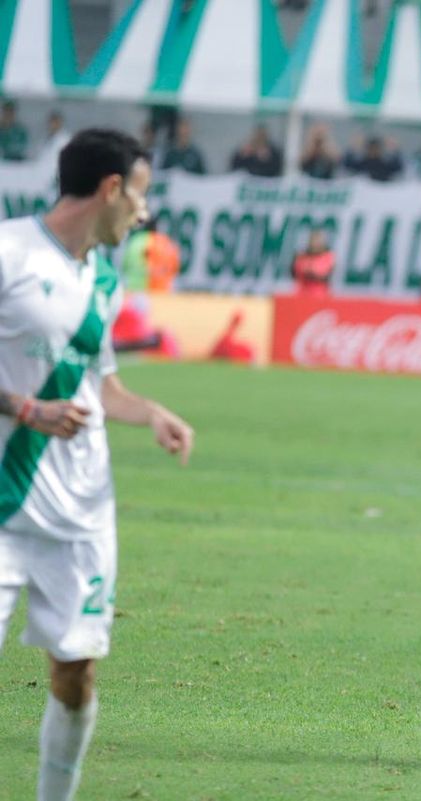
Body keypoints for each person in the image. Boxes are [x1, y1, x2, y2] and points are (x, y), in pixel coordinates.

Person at [0, 128, 194, 801]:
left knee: (76, 675)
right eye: (139, 196)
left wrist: (153, 413)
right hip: (5, 501)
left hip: (81, 512)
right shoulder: (9, 251)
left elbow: (99, 385)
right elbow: (43, 399)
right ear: (112, 189)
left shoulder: (104, 280)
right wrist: (25, 408)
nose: (142, 214)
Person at [291, 228, 335, 296]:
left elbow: (325, 276)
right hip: (301, 294)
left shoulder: (327, 256)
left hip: (320, 296)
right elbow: (294, 273)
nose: (315, 243)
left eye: (318, 240)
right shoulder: (301, 256)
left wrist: (311, 271)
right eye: (313, 240)